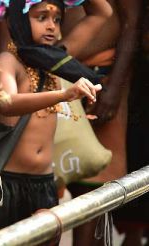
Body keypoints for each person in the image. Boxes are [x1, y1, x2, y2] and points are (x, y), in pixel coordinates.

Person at [0, 0, 110, 234]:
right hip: (7, 184)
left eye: (57, 19)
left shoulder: (55, 60)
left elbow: (103, 12)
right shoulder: (7, 61)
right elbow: (6, 102)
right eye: (41, 18)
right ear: (18, 21)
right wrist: (64, 94)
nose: (51, 26)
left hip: (44, 185)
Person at [60, 1, 143, 245]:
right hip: (54, 72)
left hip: (102, 78)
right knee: (47, 180)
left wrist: (114, 88)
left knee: (96, 188)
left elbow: (132, 25)